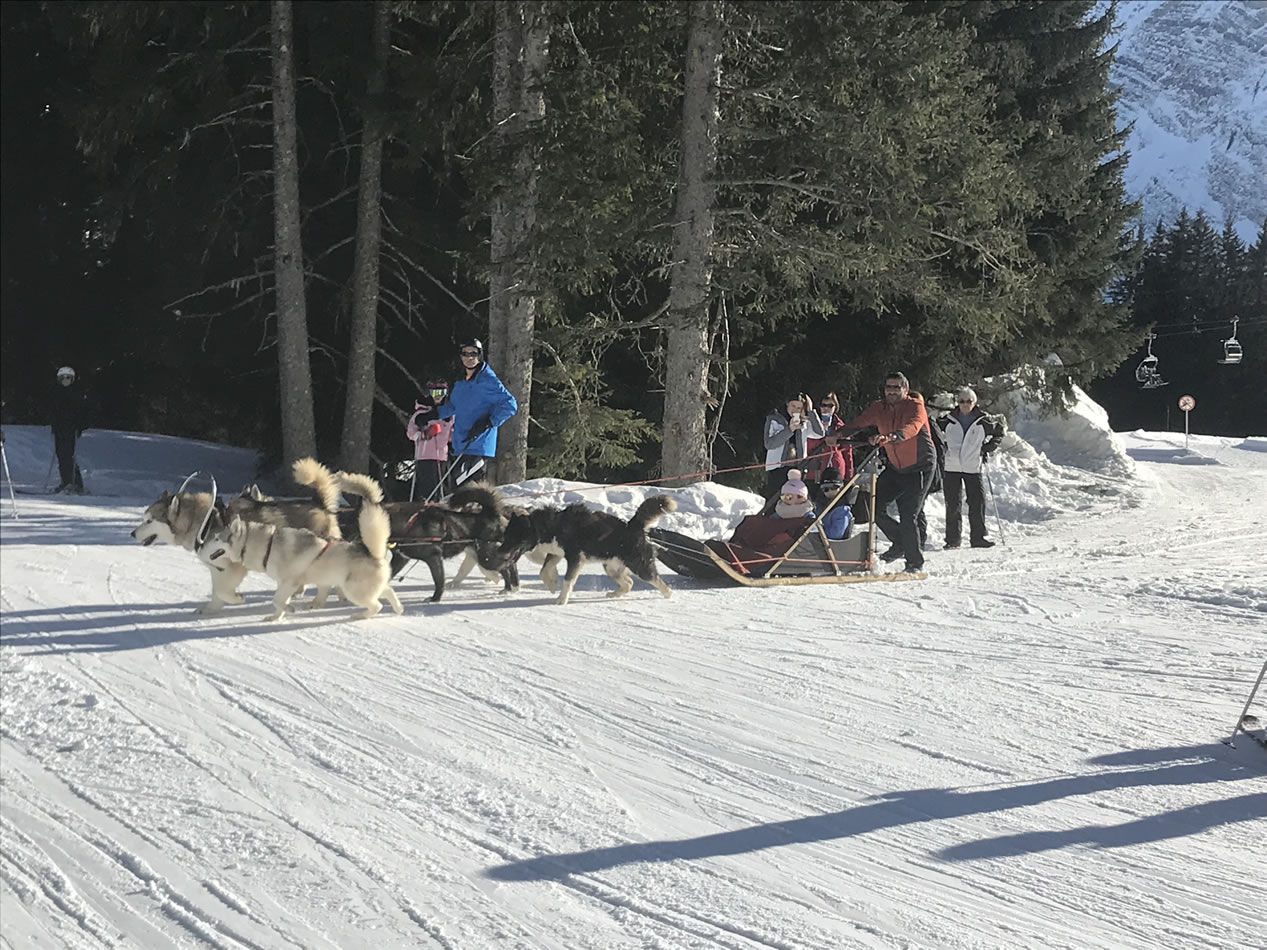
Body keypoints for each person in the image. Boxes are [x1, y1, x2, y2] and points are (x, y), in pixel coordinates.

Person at [842, 371, 936, 573]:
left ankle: (914, 563)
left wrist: (895, 435)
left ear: (905, 389)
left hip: (920, 466)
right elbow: (859, 422)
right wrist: (839, 435)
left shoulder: (915, 406)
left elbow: (913, 426)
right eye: (888, 387)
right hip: (896, 467)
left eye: (896, 387)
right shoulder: (879, 407)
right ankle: (900, 543)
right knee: (874, 506)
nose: (891, 391)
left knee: (908, 513)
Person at [432, 339, 518, 487]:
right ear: (461, 357)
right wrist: (431, 415)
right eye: (466, 353)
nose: (470, 357)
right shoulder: (461, 381)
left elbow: (510, 405)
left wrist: (489, 422)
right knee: (457, 489)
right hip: (461, 444)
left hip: (478, 443)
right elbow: (454, 406)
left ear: (480, 355)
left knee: (469, 491)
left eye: (474, 353)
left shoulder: (487, 379)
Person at [934, 386, 1005, 549]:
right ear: (957, 403)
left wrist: (988, 448)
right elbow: (934, 432)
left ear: (975, 402)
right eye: (961, 401)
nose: (965, 404)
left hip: (973, 466)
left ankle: (978, 538)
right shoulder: (947, 420)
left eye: (968, 401)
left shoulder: (983, 421)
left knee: (978, 501)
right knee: (952, 503)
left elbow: (999, 432)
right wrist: (942, 449)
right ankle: (952, 540)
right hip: (951, 466)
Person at [763, 392, 826, 497]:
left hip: (798, 468)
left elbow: (820, 433)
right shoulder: (774, 419)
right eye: (793, 406)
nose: (795, 410)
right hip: (777, 468)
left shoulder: (804, 423)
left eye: (799, 408)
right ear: (787, 404)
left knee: (797, 499)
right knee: (775, 500)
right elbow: (769, 444)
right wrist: (790, 429)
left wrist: (811, 411)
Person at [405, 378, 455, 501]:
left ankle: (437, 510)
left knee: (440, 488)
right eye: (434, 393)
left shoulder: (448, 414)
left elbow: (450, 435)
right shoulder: (421, 413)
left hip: (441, 457)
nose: (437, 396)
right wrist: (424, 434)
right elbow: (411, 433)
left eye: (441, 392)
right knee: (427, 488)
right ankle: (425, 509)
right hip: (425, 456)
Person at [49, 365, 88, 493]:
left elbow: (81, 413)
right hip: (60, 429)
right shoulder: (56, 393)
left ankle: (75, 483)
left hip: (70, 429)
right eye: (63, 378)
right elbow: (54, 412)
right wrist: (54, 425)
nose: (65, 380)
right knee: (61, 455)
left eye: (68, 378)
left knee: (68, 456)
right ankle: (66, 481)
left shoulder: (75, 394)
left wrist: (80, 426)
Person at [805, 391, 852, 487]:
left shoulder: (841, 427)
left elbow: (847, 452)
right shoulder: (811, 423)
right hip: (815, 471)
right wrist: (821, 431)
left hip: (836, 470)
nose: (826, 408)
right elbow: (808, 445)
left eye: (830, 405)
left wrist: (849, 476)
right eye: (823, 405)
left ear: (835, 407)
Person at [813, 466, 854, 540]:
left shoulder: (842, 510)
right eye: (826, 489)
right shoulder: (819, 505)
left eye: (834, 487)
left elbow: (835, 535)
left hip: (831, 546)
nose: (830, 491)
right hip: (817, 544)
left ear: (841, 488)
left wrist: (817, 531)